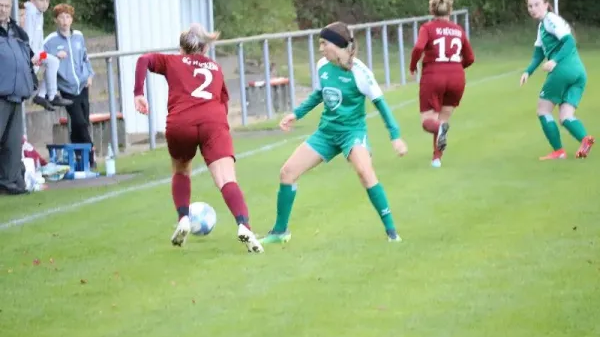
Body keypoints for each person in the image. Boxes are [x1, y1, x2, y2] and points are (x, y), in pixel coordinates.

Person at [260, 21, 408, 245]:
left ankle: (392, 232)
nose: (320, 48)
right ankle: (280, 232)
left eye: (323, 43)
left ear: (338, 45)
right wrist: (296, 114)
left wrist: (395, 136)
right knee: (287, 172)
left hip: (352, 133)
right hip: (326, 133)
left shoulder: (360, 73)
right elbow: (319, 95)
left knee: (365, 173)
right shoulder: (322, 65)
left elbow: (381, 105)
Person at [133, 23, 264, 253]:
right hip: (213, 122)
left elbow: (144, 60)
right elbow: (224, 101)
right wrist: (218, 132)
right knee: (226, 178)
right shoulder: (214, 67)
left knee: (181, 170)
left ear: (181, 48)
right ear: (205, 49)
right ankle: (244, 225)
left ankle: (183, 218)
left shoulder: (172, 61)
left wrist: (138, 93)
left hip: (180, 121)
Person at [520, 0, 594, 160]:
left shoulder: (550, 20)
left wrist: (554, 61)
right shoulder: (543, 25)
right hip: (578, 72)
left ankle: (558, 151)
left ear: (546, 4)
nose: (533, 9)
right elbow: (538, 54)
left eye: (537, 4)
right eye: (530, 6)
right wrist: (527, 71)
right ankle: (585, 140)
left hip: (563, 70)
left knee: (543, 110)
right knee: (566, 116)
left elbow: (569, 41)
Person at [409, 0, 475, 168]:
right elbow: (470, 58)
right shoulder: (458, 30)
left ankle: (438, 142)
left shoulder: (428, 28)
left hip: (433, 76)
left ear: (432, 10)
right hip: (456, 77)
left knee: (428, 121)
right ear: (450, 11)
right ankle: (436, 159)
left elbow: (418, 48)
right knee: (443, 119)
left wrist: (413, 65)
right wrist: (455, 69)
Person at [43, 3, 96, 168]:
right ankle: (91, 154)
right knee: (79, 122)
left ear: (72, 19)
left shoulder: (78, 36)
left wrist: (90, 74)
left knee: (82, 123)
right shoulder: (50, 40)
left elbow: (85, 57)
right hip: (66, 89)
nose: (65, 21)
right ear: (56, 20)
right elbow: (39, 54)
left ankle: (80, 156)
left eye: (67, 17)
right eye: (61, 18)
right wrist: (53, 55)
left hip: (82, 86)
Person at [0, 0, 38, 195]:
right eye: (0, 5)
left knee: (13, 143)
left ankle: (11, 182)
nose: (3, 9)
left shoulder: (17, 31)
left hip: (16, 94)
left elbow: (28, 58)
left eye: (6, 5)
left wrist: (30, 81)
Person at [24, 0, 72, 111]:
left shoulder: (39, 14)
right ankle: (49, 95)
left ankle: (46, 96)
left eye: (47, 1)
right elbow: (27, 38)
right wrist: (33, 56)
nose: (45, 4)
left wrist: (42, 55)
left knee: (54, 60)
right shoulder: (29, 11)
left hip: (38, 52)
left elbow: (39, 41)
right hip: (29, 54)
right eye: (41, 0)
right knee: (52, 61)